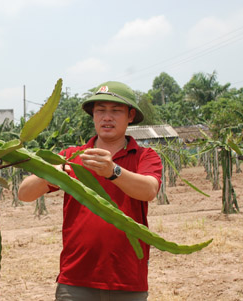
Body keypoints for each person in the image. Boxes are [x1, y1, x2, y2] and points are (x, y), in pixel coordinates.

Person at [18, 81, 163, 301]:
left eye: (116, 111)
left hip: (128, 281)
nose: (107, 117)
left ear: (130, 116)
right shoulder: (72, 157)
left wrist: (113, 171)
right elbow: (24, 194)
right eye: (100, 111)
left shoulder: (144, 156)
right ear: (93, 116)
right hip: (76, 280)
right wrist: (56, 171)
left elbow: (149, 190)